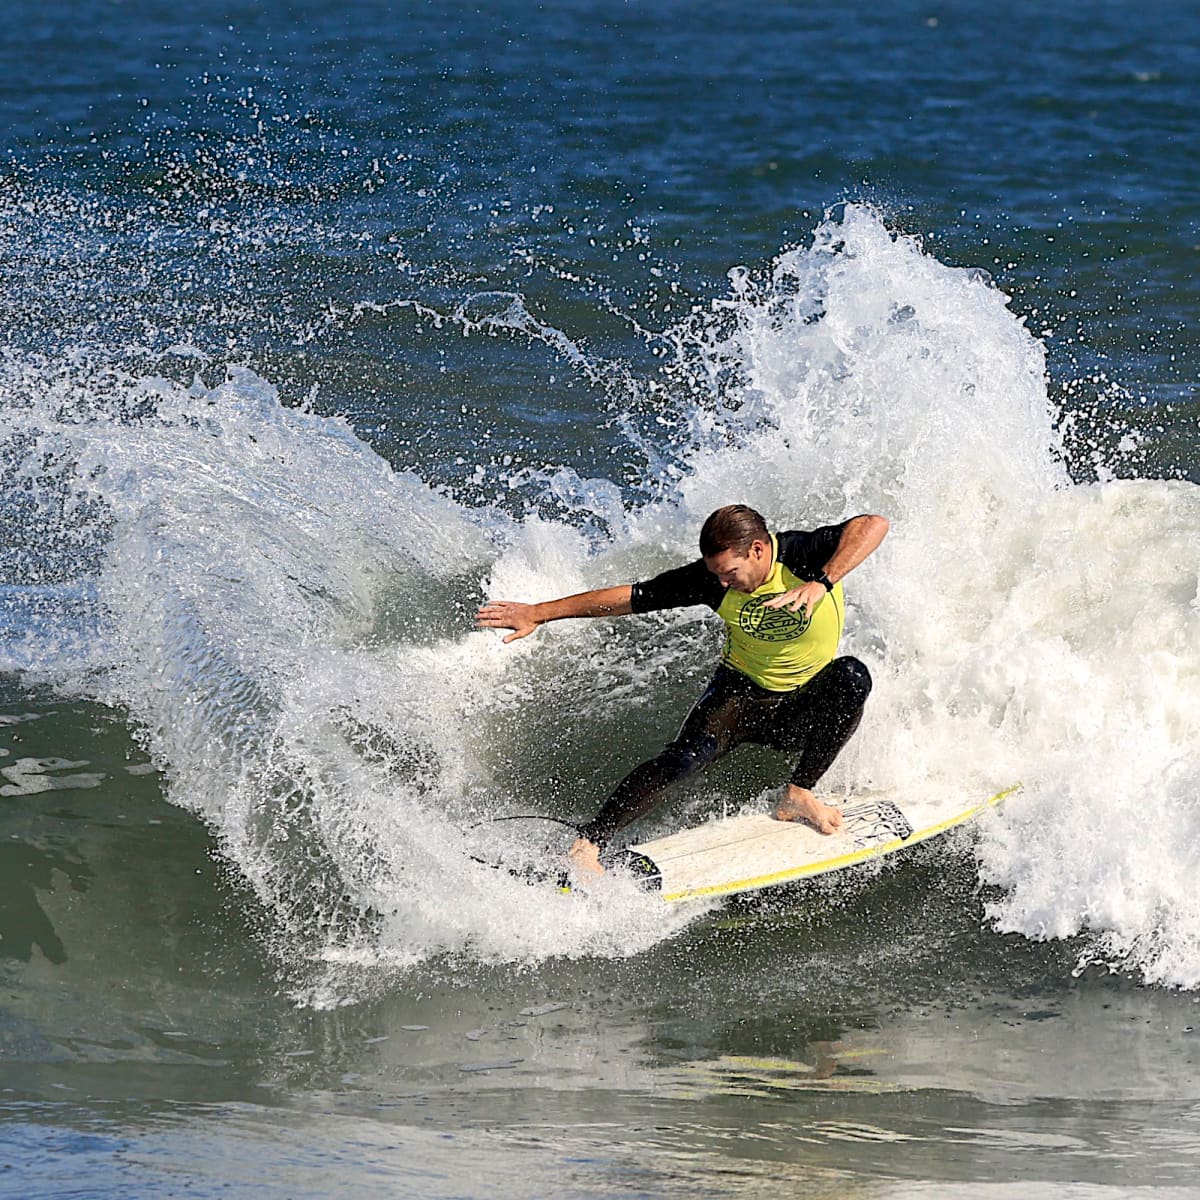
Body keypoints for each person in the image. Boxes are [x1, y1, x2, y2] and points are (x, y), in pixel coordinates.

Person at [476, 504, 889, 877]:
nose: (724, 582)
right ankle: (589, 842)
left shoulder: (803, 554)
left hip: (803, 704)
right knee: (683, 760)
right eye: (716, 574)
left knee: (853, 676)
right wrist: (539, 613)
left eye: (731, 572)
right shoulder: (712, 582)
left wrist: (822, 582)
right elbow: (631, 598)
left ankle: (798, 794)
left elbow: (873, 524)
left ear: (760, 551)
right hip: (741, 696)